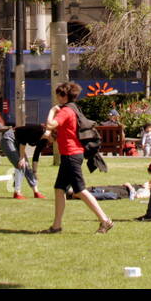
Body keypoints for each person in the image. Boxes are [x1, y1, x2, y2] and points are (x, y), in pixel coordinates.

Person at [41, 82, 113, 234]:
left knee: (80, 190)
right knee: (59, 189)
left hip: (71, 156)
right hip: (70, 155)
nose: (57, 99)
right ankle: (56, 226)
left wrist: (52, 110)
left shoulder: (65, 110)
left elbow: (50, 123)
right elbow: (59, 135)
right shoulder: (73, 109)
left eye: (58, 95)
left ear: (64, 96)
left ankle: (105, 220)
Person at [1, 123, 45, 199]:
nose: (52, 142)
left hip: (18, 142)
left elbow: (36, 155)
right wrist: (21, 158)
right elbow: (23, 140)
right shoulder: (38, 130)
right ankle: (17, 193)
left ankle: (36, 192)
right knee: (20, 164)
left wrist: (34, 172)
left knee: (27, 166)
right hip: (9, 139)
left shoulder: (44, 140)